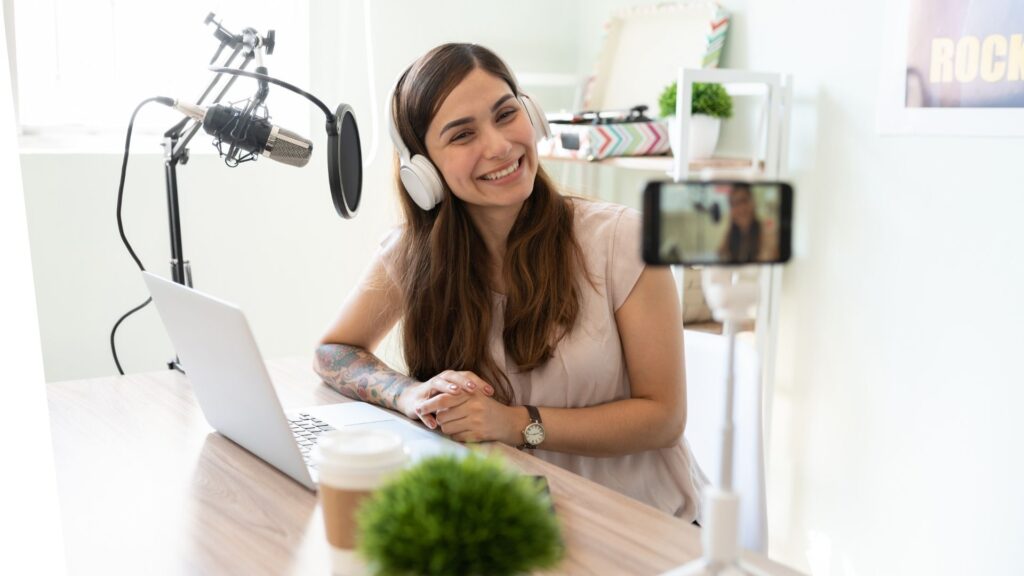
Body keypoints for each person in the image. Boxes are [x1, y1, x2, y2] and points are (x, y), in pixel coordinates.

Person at [314, 43, 704, 521]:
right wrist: (408, 394)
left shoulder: (623, 239)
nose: (499, 146)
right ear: (424, 171)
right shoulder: (413, 252)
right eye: (462, 135)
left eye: (505, 114)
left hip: (635, 521)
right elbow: (333, 351)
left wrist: (518, 424)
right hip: (508, 517)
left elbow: (662, 417)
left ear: (531, 115)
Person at [717, 184, 779, 264]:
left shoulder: (766, 231)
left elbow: (766, 260)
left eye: (744, 201)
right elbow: (720, 256)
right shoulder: (732, 233)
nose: (741, 209)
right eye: (734, 204)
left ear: (753, 203)